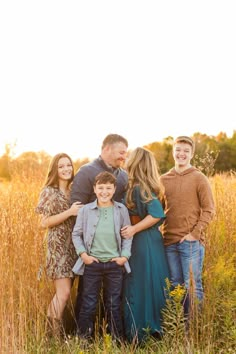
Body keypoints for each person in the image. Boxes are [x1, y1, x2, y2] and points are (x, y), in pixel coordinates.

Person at [70, 133, 129, 325]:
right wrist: (83, 252)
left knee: (113, 298)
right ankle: (83, 334)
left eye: (125, 153)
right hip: (90, 251)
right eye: (121, 152)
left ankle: (109, 334)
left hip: (114, 251)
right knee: (87, 296)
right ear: (106, 149)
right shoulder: (87, 171)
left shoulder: (123, 175)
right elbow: (76, 208)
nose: (124, 157)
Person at [72, 171, 132, 340]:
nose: (104, 192)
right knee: (89, 303)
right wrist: (83, 255)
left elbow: (128, 235)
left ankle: (116, 341)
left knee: (113, 304)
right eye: (101, 188)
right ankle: (83, 340)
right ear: (94, 189)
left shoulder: (121, 210)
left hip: (115, 264)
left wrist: (124, 257)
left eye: (108, 188)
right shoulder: (86, 210)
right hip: (92, 263)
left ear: (114, 190)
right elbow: (76, 234)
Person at [160, 136, 215, 317]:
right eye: (178, 150)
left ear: (191, 154)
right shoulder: (163, 179)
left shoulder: (199, 178)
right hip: (168, 241)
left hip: (190, 242)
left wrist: (194, 233)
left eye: (186, 151)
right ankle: (180, 327)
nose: (181, 154)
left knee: (192, 285)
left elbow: (209, 210)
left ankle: (193, 331)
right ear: (173, 152)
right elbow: (158, 211)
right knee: (175, 286)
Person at [121, 147, 170, 343]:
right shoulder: (140, 186)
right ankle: (147, 330)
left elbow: (157, 214)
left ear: (136, 163)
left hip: (144, 242)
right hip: (149, 241)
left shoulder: (141, 188)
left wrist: (133, 230)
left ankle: (143, 331)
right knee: (146, 284)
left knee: (141, 285)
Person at [35, 153, 81, 337]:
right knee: (63, 293)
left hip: (74, 247)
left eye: (68, 165)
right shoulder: (49, 191)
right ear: (55, 169)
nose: (66, 169)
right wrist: (70, 212)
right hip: (57, 247)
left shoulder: (73, 190)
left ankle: (59, 334)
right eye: (61, 166)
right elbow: (42, 223)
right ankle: (51, 337)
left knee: (68, 295)